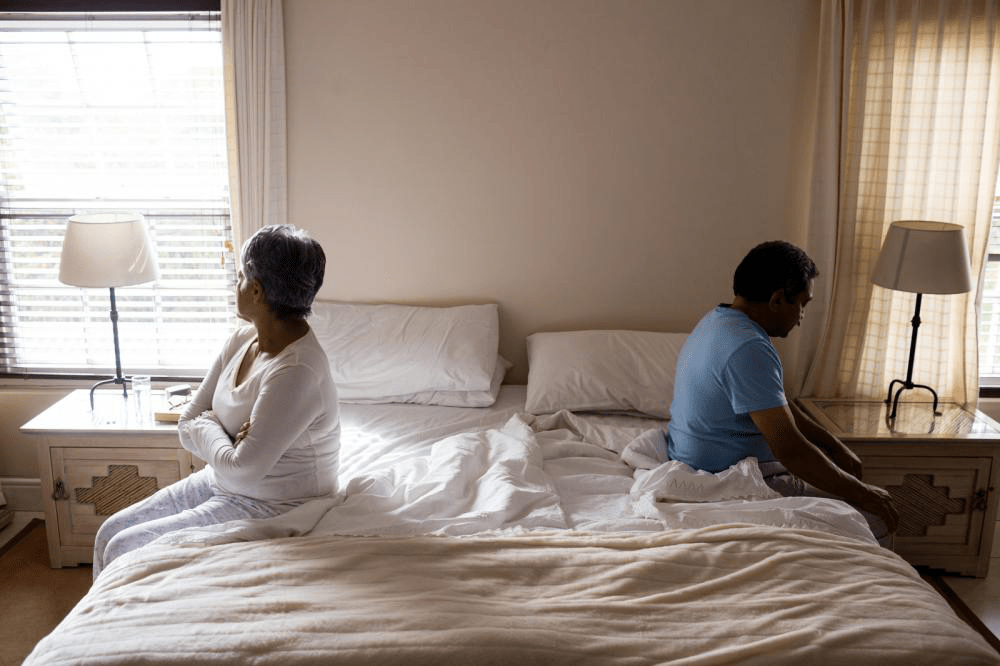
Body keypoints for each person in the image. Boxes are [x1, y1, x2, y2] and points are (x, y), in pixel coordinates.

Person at [93, 224, 339, 578]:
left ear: (256, 291)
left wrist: (208, 425)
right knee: (108, 532)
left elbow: (243, 467)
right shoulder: (241, 339)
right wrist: (223, 439)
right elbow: (186, 423)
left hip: (272, 503)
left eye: (239, 277)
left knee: (124, 545)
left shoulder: (297, 371)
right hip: (217, 481)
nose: (234, 285)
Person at [666, 240, 899, 543]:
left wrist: (834, 445)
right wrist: (865, 495)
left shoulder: (717, 321)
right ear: (777, 300)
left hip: (696, 459)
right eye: (802, 304)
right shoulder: (748, 347)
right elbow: (789, 448)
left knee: (849, 487)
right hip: (728, 479)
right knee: (877, 516)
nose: (802, 316)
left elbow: (776, 404)